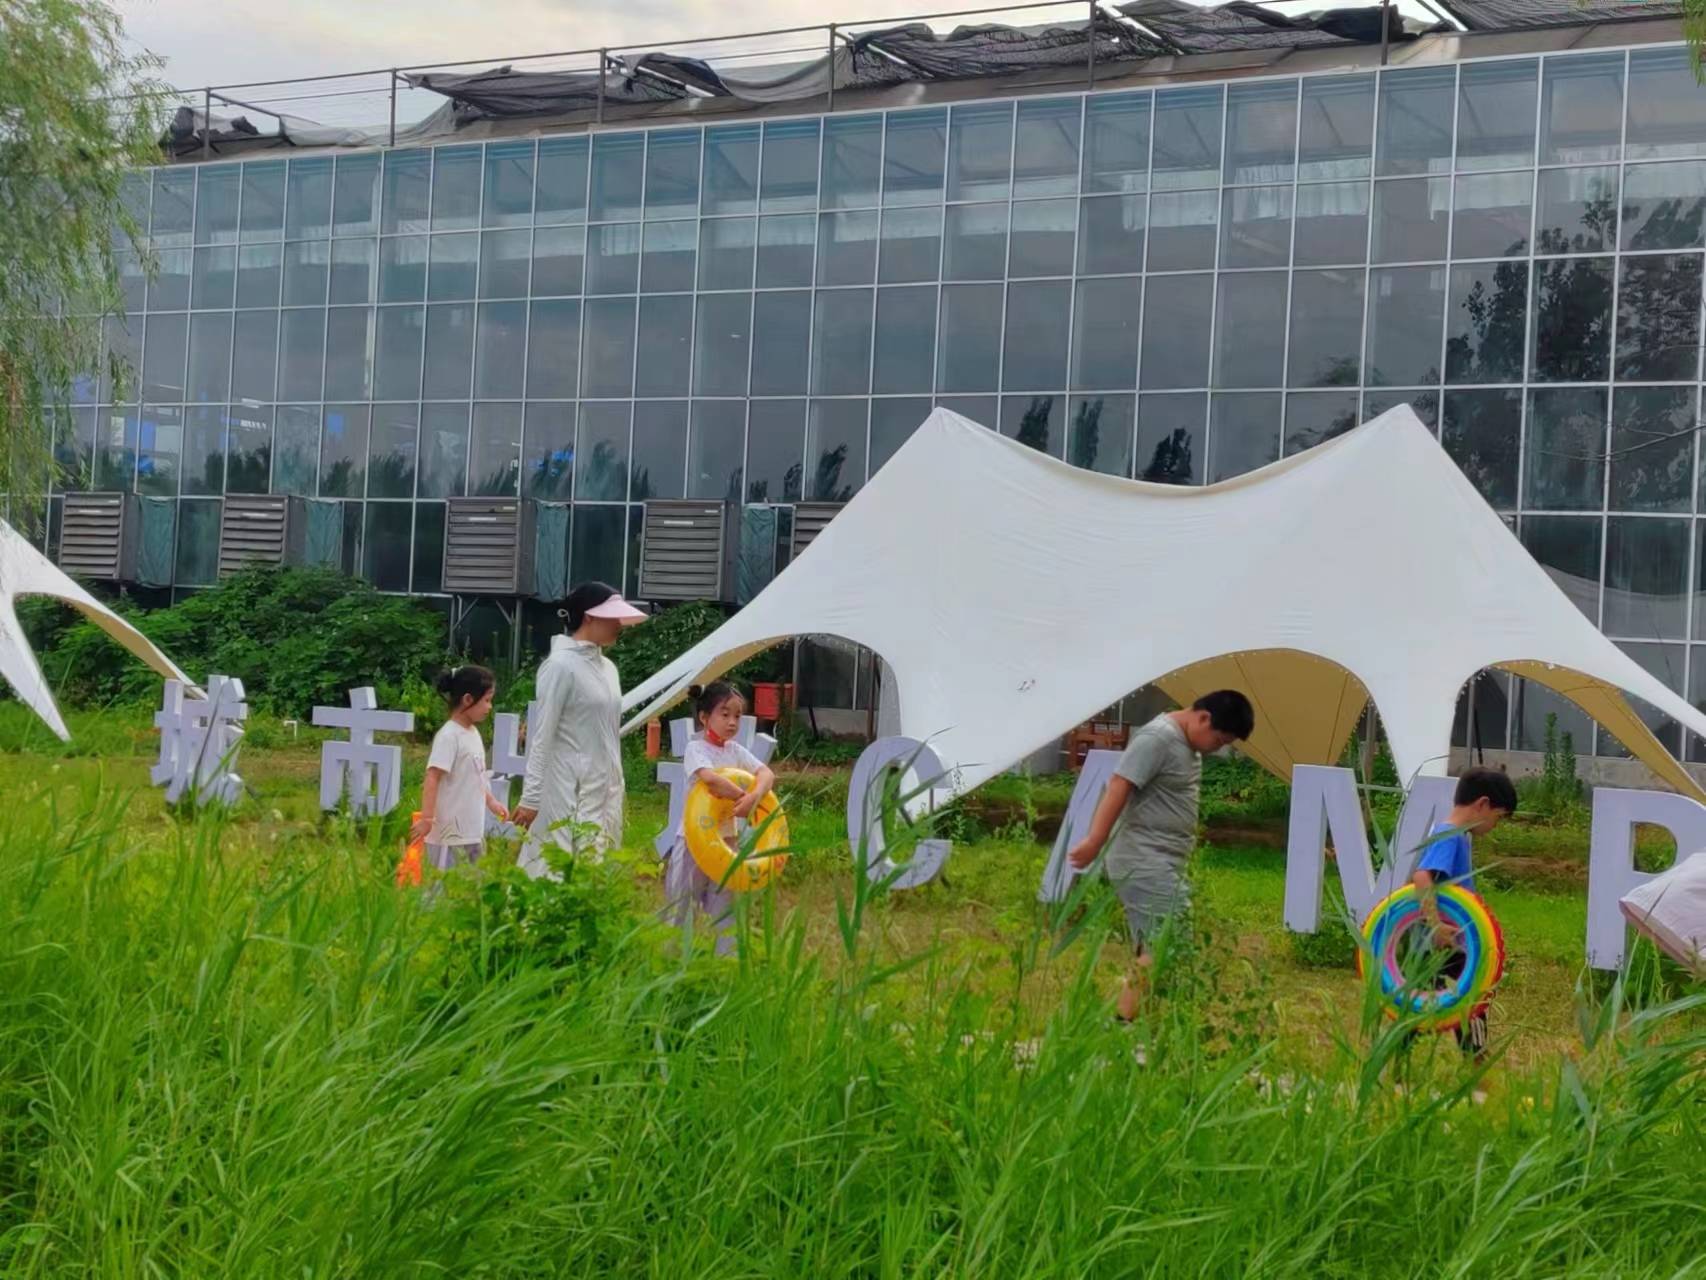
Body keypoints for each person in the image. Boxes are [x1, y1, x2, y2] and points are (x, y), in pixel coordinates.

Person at [1067, 690, 1257, 1022]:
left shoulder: (1187, 744)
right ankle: (1123, 1024)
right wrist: (1095, 840)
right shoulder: (1158, 738)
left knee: (1156, 944)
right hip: (1143, 858)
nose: (1218, 748)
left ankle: (1138, 1019)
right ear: (1203, 718)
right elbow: (1119, 785)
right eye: (1219, 739)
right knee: (1169, 941)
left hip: (1162, 860)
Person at [512, 581, 648, 878]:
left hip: (603, 784)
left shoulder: (608, 669)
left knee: (596, 866)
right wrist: (531, 797)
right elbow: (542, 734)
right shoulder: (559, 666)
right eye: (612, 617)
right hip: (565, 784)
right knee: (553, 866)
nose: (619, 624)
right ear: (589, 616)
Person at [1409, 765, 1517, 1060]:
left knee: (1428, 1005)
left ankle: (1397, 1065)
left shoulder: (1453, 835)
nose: (1495, 826)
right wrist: (1436, 927)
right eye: (1498, 817)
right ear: (1483, 804)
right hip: (1445, 944)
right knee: (1472, 999)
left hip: (1448, 943)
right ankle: (1477, 1065)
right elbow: (1422, 877)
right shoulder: (1450, 836)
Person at [664, 681, 776, 956]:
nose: (732, 722)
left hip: (727, 842)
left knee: (726, 905)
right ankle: (671, 960)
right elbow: (712, 780)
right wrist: (743, 797)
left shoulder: (735, 751)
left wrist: (755, 797)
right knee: (681, 905)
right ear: (705, 717)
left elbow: (766, 774)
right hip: (693, 842)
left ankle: (726, 961)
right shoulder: (696, 749)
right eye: (724, 714)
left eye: (737, 715)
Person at [408, 665, 508, 870]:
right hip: (448, 836)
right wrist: (427, 818)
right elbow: (432, 776)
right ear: (468, 699)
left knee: (472, 885)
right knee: (444, 885)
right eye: (486, 700)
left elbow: (476, 776)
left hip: (472, 831)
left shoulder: (473, 734)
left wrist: (491, 801)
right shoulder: (449, 736)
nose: (490, 707)